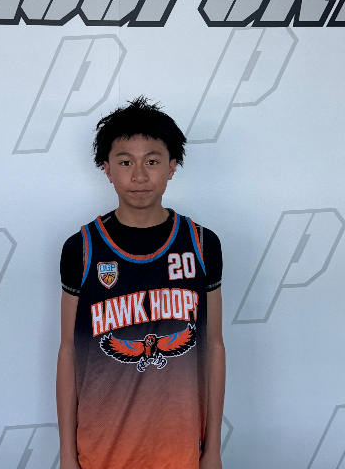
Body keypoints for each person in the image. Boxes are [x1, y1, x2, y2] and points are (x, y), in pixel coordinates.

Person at [57, 96, 225, 469]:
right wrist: (67, 455)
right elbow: (68, 351)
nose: (139, 176)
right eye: (125, 162)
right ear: (106, 169)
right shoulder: (82, 248)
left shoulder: (201, 244)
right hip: (100, 449)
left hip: (179, 450)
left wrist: (213, 448)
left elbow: (214, 347)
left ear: (172, 167)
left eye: (152, 161)